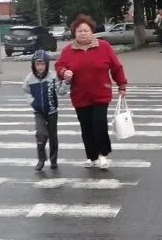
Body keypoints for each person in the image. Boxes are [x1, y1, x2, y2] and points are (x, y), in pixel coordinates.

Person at [54, 14, 127, 169]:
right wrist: (63, 73)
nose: (83, 33)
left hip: (101, 93)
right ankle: (91, 157)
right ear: (74, 32)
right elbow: (59, 67)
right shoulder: (68, 50)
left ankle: (102, 155)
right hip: (80, 95)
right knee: (86, 127)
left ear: (92, 31)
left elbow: (116, 67)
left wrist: (121, 85)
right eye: (80, 31)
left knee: (99, 124)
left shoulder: (104, 47)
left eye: (86, 30)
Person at [23, 50, 59, 171]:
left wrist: (67, 83)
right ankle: (41, 159)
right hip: (39, 112)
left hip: (52, 111)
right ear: (33, 65)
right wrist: (32, 102)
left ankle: (53, 160)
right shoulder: (29, 78)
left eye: (42, 64)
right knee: (41, 135)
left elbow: (61, 91)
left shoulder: (53, 76)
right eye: (37, 64)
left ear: (47, 64)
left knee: (53, 137)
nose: (40, 67)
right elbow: (26, 92)